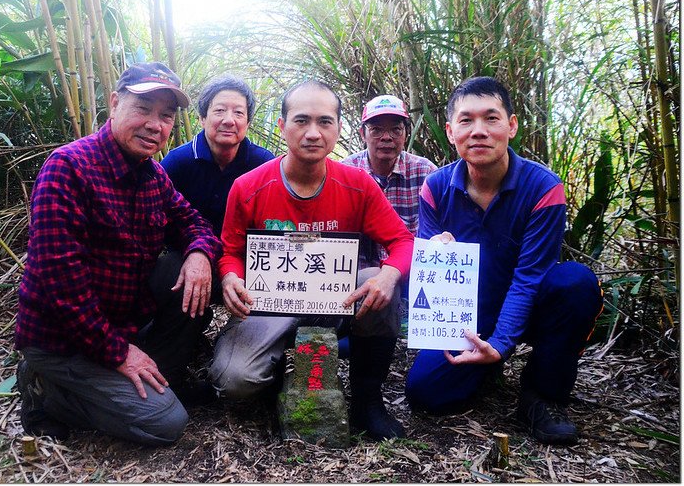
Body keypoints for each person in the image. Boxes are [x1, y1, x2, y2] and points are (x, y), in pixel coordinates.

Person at [14, 62, 222, 446]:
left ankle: (160, 380)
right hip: (63, 339)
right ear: (114, 104)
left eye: (166, 116)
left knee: (182, 266)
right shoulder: (68, 168)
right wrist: (120, 353)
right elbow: (64, 291)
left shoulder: (153, 174)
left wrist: (198, 255)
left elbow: (195, 223)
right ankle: (45, 391)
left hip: (121, 320)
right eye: (143, 109)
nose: (154, 125)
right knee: (166, 423)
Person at [209, 80, 415, 441]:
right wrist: (230, 277)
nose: (312, 133)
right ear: (282, 125)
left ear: (338, 127)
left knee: (377, 279)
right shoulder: (248, 186)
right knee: (235, 381)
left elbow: (401, 241)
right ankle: (274, 384)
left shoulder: (358, 185)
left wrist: (388, 275)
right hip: (272, 302)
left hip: (335, 297)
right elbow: (230, 251)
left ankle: (367, 400)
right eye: (301, 120)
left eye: (324, 122)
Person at [404, 76, 603, 444]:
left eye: (491, 118)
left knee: (575, 282)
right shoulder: (435, 187)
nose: (478, 131)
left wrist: (500, 343)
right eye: (466, 120)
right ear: (450, 132)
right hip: (469, 312)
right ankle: (484, 368)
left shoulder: (544, 187)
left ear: (511, 125)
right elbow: (429, 274)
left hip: (529, 306)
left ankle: (543, 394)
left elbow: (530, 275)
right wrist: (436, 251)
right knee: (426, 393)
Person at [161, 75, 275, 235]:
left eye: (238, 113)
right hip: (188, 253)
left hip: (246, 254)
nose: (229, 120)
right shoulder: (177, 162)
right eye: (220, 110)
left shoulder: (264, 164)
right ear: (202, 118)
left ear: (248, 123)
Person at [342, 94, 436, 268]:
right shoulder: (346, 174)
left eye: (396, 130)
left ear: (406, 133)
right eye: (376, 130)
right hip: (359, 276)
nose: (386, 137)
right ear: (363, 133)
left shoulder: (425, 173)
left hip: (414, 270)